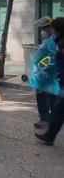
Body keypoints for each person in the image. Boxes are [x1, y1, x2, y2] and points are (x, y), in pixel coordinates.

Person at [35, 17, 64, 146]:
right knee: (58, 111)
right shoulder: (57, 41)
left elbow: (54, 59)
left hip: (53, 77)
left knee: (57, 108)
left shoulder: (60, 43)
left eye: (51, 27)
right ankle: (49, 137)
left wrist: (48, 70)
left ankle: (49, 135)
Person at [29, 16, 59, 129]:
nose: (42, 31)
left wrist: (44, 70)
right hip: (44, 74)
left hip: (46, 75)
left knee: (43, 96)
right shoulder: (48, 40)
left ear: (51, 27)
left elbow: (53, 57)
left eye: (44, 28)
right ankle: (52, 118)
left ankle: (45, 119)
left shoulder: (51, 41)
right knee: (50, 96)